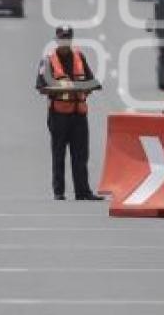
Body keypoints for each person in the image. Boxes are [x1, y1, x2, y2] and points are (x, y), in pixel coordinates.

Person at [36, 25, 103, 201]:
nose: (65, 41)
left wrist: (86, 87)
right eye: (62, 38)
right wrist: (62, 89)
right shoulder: (48, 60)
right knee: (58, 153)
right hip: (59, 115)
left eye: (68, 38)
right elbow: (41, 87)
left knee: (81, 154)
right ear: (57, 39)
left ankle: (83, 191)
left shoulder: (79, 56)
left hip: (79, 114)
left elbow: (92, 81)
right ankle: (59, 191)